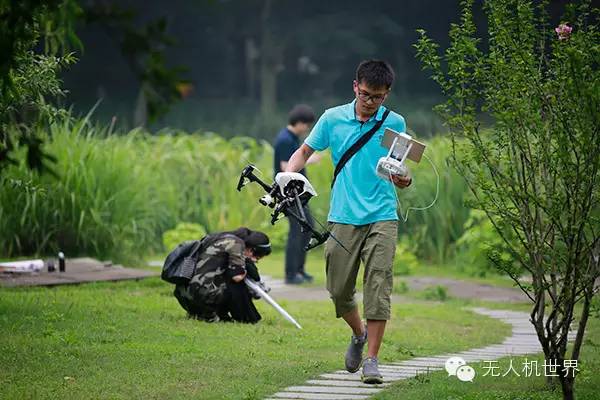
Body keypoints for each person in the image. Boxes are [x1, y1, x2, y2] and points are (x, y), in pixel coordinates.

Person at [285, 60, 412, 384]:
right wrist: (287, 178)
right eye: (367, 94)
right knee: (339, 290)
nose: (371, 102)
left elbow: (399, 167)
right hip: (343, 215)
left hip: (382, 214)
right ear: (355, 87)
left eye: (379, 97)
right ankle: (358, 334)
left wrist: (403, 179)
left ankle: (372, 359)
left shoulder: (394, 122)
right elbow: (303, 151)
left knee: (378, 285)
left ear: (387, 94)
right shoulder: (332, 119)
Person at [173, 227, 272, 324]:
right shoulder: (237, 243)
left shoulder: (217, 237)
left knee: (226, 278)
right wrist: (248, 270)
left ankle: (208, 315)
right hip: (201, 295)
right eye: (258, 257)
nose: (256, 260)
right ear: (251, 250)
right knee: (238, 283)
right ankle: (248, 320)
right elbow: (237, 277)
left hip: (184, 295)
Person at [273, 104, 321, 285]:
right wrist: (310, 159)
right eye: (307, 125)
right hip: (288, 194)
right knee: (296, 231)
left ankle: (300, 270)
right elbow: (285, 167)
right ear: (300, 122)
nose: (307, 129)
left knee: (307, 227)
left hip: (298, 194)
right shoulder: (285, 139)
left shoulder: (291, 138)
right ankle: (290, 274)